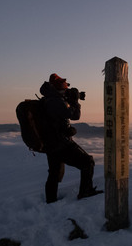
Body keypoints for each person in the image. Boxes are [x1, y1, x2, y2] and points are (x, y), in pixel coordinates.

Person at [39, 73, 101, 203]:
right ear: (57, 88)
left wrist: (70, 98)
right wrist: (75, 101)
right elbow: (74, 115)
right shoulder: (55, 101)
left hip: (51, 143)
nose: (65, 91)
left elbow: (57, 119)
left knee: (54, 173)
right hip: (60, 143)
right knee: (88, 162)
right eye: (64, 88)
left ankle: (50, 201)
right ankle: (85, 191)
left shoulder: (49, 98)